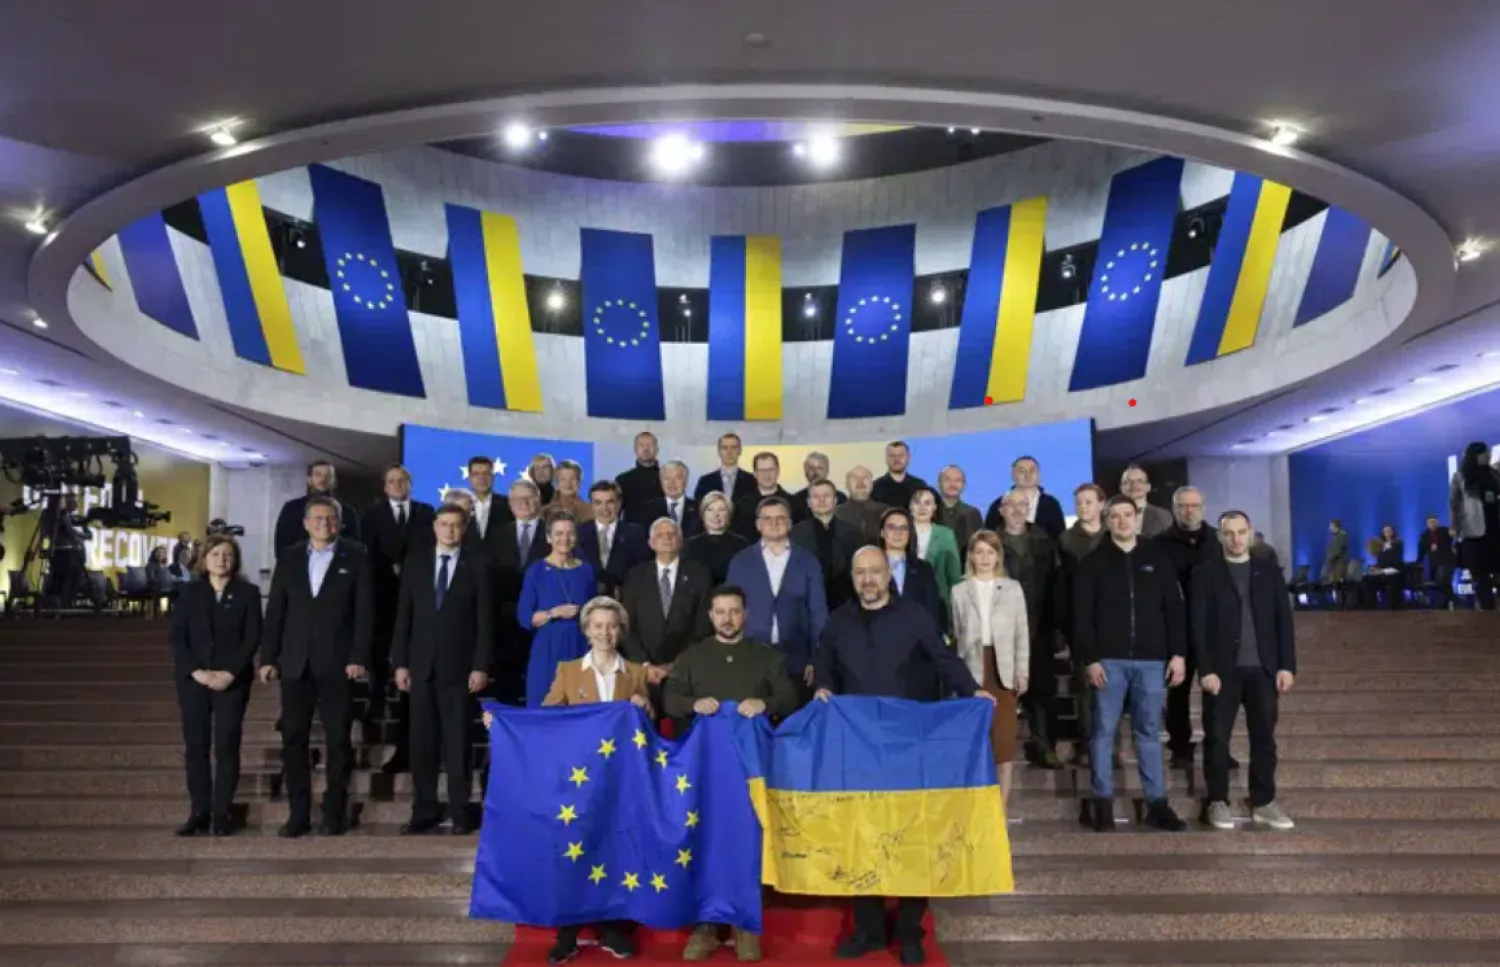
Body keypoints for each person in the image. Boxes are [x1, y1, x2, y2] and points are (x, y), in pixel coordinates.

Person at [814, 546, 992, 966]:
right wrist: (822, 686)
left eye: (875, 571)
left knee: (912, 841)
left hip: (910, 748)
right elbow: (823, 663)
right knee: (863, 839)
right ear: (853, 577)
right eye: (861, 573)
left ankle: (910, 932)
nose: (868, 580)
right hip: (857, 748)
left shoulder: (914, 615)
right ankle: (869, 931)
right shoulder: (838, 621)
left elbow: (943, 659)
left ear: (887, 575)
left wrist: (972, 692)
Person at [667, 585, 799, 963]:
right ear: (711, 616)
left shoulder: (766, 657)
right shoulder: (692, 658)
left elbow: (790, 697)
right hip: (703, 773)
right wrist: (694, 704)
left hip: (750, 774)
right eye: (720, 611)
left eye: (735, 611)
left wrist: (765, 704)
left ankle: (745, 926)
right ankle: (706, 927)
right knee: (705, 841)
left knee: (746, 842)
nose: (727, 618)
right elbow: (670, 700)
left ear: (745, 615)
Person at [529, 596, 650, 964]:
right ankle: (567, 933)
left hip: (620, 781)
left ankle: (613, 927)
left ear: (620, 631)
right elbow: (548, 715)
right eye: (597, 625)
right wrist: (502, 724)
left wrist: (645, 707)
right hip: (578, 781)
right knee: (574, 851)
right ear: (586, 630)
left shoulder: (635, 673)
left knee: (615, 850)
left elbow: (645, 728)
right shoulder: (568, 670)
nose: (605, 632)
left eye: (611, 626)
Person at [258, 495, 374, 837]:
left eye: (330, 518)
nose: (324, 523)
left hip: (339, 666)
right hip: (295, 665)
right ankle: (298, 814)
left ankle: (334, 813)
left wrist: (359, 657)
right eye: (317, 518)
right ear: (306, 523)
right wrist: (268, 657)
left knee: (339, 741)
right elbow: (276, 610)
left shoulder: (356, 556)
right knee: (293, 739)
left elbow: (365, 613)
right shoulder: (291, 558)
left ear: (339, 523)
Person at [1073, 496, 1188, 833]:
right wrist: (1090, 658)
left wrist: (1178, 653)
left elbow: (1174, 610)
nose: (1122, 521)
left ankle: (1157, 804)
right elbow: (1082, 616)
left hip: (1152, 661)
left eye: (1127, 515)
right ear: (1106, 521)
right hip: (1109, 660)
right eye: (1115, 516)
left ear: (1137, 518)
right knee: (1103, 733)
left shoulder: (1158, 559)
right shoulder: (1092, 563)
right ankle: (1103, 804)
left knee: (1149, 733)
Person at [391, 503, 494, 836]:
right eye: (444, 524)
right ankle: (425, 808)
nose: (449, 530)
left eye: (456, 525)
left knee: (458, 743)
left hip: (460, 670)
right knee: (422, 743)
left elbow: (484, 622)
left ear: (464, 529)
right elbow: (404, 616)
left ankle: (461, 809)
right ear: (434, 527)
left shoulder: (477, 564)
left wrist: (480, 666)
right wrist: (400, 662)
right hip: (420, 667)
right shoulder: (417, 562)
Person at [1192, 511, 1297, 832]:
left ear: (1251, 533)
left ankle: (1264, 802)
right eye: (1229, 533)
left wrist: (1286, 666)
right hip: (1222, 672)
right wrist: (1205, 669)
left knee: (1264, 739)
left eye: (1241, 532)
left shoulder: (1268, 571)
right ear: (1220, 536)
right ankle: (1217, 801)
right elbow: (1197, 626)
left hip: (1263, 670)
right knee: (1217, 739)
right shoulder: (1205, 573)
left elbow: (1283, 621)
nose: (1236, 539)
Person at [169, 535, 261, 836]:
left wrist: (229, 674)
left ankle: (222, 813)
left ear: (235, 560)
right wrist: (197, 671)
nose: (221, 559)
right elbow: (177, 638)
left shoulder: (248, 593)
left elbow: (251, 639)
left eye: (227, 554)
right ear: (204, 559)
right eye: (215, 554)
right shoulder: (188, 593)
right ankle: (199, 811)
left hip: (231, 682)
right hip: (194, 681)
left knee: (226, 745)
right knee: (196, 746)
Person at [361, 464, 435, 771]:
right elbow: (367, 553)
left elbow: (431, 548)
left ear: (410, 483)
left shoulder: (425, 511)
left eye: (402, 480)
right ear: (384, 486)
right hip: (383, 594)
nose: (397, 485)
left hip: (418, 594)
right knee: (381, 647)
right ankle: (378, 691)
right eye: (391, 480)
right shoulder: (372, 515)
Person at [949, 530, 1029, 802]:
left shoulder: (1012, 588)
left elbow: (1022, 633)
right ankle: (976, 808)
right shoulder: (959, 591)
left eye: (990, 552)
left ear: (998, 556)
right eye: (979, 552)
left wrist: (1022, 671)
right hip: (972, 669)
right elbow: (956, 633)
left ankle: (1001, 811)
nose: (985, 558)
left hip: (1002, 669)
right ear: (971, 556)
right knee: (974, 743)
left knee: (1003, 746)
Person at [726, 496, 828, 702]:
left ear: (790, 523)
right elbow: (730, 611)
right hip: (750, 658)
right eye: (768, 518)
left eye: (780, 518)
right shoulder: (740, 561)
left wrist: (815, 659)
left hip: (796, 661)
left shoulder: (808, 561)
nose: (774, 523)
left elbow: (818, 613)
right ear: (758, 524)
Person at [1156, 486, 1225, 771]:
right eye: (1183, 506)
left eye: (1194, 505)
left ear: (1203, 507)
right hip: (1177, 628)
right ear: (1174, 509)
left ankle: (1218, 746)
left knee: (1219, 693)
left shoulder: (1218, 541)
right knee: (1177, 692)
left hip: (1214, 628)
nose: (1189, 510)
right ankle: (1180, 747)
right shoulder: (1160, 544)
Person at [619, 518, 714, 723]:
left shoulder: (700, 574)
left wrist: (673, 666)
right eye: (660, 535)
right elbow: (627, 625)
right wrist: (645, 665)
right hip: (644, 672)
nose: (667, 539)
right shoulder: (635, 576)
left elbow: (703, 627)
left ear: (681, 541)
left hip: (685, 672)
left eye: (672, 534)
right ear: (651, 543)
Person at [996, 489, 1061, 768]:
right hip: (999, 628)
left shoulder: (1044, 542)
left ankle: (1044, 744)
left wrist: (1057, 627)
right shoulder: (990, 542)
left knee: (1042, 690)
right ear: (1002, 509)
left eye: (1023, 505)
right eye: (1012, 505)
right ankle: (997, 749)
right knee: (1001, 690)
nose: (1018, 510)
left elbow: (1056, 587)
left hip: (1039, 626)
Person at [518, 514, 596, 708]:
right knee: (544, 706)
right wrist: (554, 613)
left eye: (570, 533)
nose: (565, 538)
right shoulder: (535, 571)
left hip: (580, 646)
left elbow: (594, 611)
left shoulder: (586, 571)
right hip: (547, 648)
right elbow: (525, 617)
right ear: (549, 537)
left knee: (580, 708)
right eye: (559, 533)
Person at [1057, 484, 1108, 766]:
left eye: (1089, 502)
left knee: (1111, 689)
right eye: (1079, 502)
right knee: (1085, 688)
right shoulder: (1066, 540)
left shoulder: (1113, 536)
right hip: (1081, 623)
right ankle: (1088, 744)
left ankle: (1108, 744)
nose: (1083, 507)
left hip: (1113, 624)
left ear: (1101, 505)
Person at [490, 480, 551, 704]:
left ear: (539, 500)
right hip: (507, 624)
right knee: (507, 685)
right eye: (518, 499)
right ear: (510, 504)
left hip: (544, 620)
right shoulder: (497, 535)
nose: (524, 503)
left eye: (529, 498)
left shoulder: (553, 533)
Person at [790, 479, 863, 610]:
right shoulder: (795, 534)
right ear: (809, 503)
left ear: (835, 500)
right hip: (807, 606)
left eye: (826, 496)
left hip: (846, 607)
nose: (821, 500)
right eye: (816, 496)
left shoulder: (854, 533)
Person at [272, 460, 360, 562]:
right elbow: (281, 545)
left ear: (334, 481)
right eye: (318, 475)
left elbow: (355, 545)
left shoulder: (347, 511)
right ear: (309, 480)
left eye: (328, 476)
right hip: (299, 567)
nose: (323, 479)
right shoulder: (291, 508)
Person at [877, 507, 946, 635]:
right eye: (892, 527)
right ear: (882, 532)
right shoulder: (870, 568)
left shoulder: (924, 569)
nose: (898, 533)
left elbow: (932, 611)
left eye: (904, 528)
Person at [578, 481, 650, 597]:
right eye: (598, 503)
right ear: (591, 505)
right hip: (586, 600)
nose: (604, 508)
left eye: (610, 502)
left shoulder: (636, 533)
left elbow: (642, 570)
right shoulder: (579, 533)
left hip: (625, 598)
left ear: (619, 503)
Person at [1451, 441, 1500, 610]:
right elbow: (1454, 505)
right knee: (1480, 577)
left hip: (1496, 530)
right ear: (1474, 456)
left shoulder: (1494, 474)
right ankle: (1487, 613)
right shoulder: (1460, 476)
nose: (1487, 455)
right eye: (1483, 452)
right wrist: (1456, 530)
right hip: (1473, 533)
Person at [985, 456, 1066, 540]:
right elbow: (988, 540)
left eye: (1032, 470)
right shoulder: (998, 505)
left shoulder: (1051, 505)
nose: (1028, 475)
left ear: (1038, 474)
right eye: (1022, 471)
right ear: (1012, 475)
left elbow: (1060, 538)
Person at [909, 486, 962, 605]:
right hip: (906, 600)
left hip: (937, 600)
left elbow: (954, 574)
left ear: (934, 508)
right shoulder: (901, 532)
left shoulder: (946, 534)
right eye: (917, 502)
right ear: (910, 507)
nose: (922, 508)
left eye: (927, 503)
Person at [684, 492, 749, 586]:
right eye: (710, 510)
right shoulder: (690, 545)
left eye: (721, 510)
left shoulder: (741, 544)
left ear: (729, 515)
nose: (716, 515)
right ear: (703, 515)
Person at [732, 452, 793, 540]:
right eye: (762, 470)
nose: (767, 475)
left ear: (778, 471)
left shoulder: (793, 503)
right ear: (755, 473)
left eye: (771, 470)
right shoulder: (742, 505)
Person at [466, 456, 514, 554]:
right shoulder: (460, 505)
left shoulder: (509, 504)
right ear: (470, 477)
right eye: (476, 474)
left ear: (493, 476)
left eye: (486, 473)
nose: (481, 478)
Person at [616, 431, 665, 525]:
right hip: (631, 533)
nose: (646, 449)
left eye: (649, 445)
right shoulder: (623, 479)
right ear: (635, 449)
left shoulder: (667, 478)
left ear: (657, 449)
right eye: (641, 445)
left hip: (661, 532)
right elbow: (616, 511)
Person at [642, 460, 700, 538]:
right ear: (661, 482)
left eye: (677, 478)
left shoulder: (699, 508)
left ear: (686, 481)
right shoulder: (648, 509)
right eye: (667, 478)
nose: (672, 483)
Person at [693, 432, 756, 505]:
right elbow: (700, 508)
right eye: (725, 448)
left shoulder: (751, 480)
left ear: (740, 450)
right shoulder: (705, 481)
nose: (729, 452)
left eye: (734, 447)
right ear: (719, 451)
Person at [936, 465, 984, 555]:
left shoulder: (973, 514)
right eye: (947, 479)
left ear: (964, 485)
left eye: (957, 480)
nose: (952, 484)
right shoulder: (930, 512)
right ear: (938, 483)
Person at [789, 451, 846, 524]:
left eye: (819, 468)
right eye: (811, 468)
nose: (815, 472)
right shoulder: (795, 501)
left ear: (827, 470)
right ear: (805, 471)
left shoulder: (841, 498)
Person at [870, 441, 929, 510]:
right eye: (892, 456)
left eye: (901, 455)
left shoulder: (920, 486)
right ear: (886, 459)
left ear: (908, 458)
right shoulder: (876, 487)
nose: (897, 459)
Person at [1119, 464, 1173, 539]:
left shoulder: (1163, 516)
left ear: (1148, 487)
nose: (1134, 485)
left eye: (1139, 481)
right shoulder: (1108, 517)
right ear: (1121, 488)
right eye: (1128, 482)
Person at [836, 465, 888, 541]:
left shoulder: (886, 512)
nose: (860, 482)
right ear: (847, 484)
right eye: (855, 478)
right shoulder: (836, 514)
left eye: (865, 478)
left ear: (872, 484)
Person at [1416, 515, 1456, 609]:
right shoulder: (1424, 535)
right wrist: (1418, 562)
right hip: (1433, 562)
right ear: (1427, 524)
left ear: (1438, 522)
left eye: (1434, 522)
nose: (1432, 524)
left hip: (1447, 561)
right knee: (1440, 583)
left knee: (1442, 579)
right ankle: (1446, 602)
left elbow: (1450, 541)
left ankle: (1448, 601)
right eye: (1430, 522)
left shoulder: (1444, 531)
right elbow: (1421, 550)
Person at [1368, 524, 1406, 610]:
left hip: (1395, 571)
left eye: (1389, 531)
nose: (1387, 533)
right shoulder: (1379, 546)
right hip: (1382, 572)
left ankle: (1393, 608)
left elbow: (1396, 563)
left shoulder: (1398, 544)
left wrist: (1382, 571)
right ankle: (1372, 608)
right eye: (1385, 531)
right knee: (1368, 580)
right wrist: (1375, 569)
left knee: (1393, 581)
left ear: (1393, 532)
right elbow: (1380, 562)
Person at [545, 460, 594, 524]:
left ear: (579, 482)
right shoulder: (545, 512)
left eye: (573, 479)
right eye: (563, 479)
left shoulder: (590, 511)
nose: (568, 484)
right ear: (556, 483)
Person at [1322, 519, 1350, 586]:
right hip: (1333, 564)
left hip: (1340, 563)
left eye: (1330, 526)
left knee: (1339, 585)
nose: (1329, 528)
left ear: (1335, 526)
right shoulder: (1334, 536)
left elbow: (1338, 550)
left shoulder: (1342, 535)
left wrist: (1329, 558)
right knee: (1334, 585)